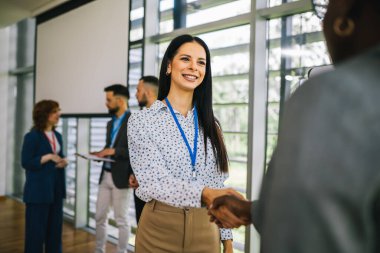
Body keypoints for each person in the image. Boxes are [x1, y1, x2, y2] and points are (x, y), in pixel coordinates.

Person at [209, 0, 380, 252]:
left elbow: (305, 236)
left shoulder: (336, 96)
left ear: (343, 16)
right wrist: (254, 210)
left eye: (325, 9)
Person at [127, 34, 241, 253]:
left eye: (201, 62)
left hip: (206, 227)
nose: (193, 68)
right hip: (159, 229)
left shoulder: (211, 126)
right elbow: (154, 182)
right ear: (169, 65)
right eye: (185, 59)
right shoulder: (142, 121)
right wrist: (204, 194)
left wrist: (227, 241)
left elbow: (217, 184)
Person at [21, 100, 68, 253]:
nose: (58, 114)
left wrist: (62, 161)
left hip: (56, 191)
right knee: (35, 234)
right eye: (55, 111)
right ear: (45, 114)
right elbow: (26, 162)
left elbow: (58, 157)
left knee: (55, 233)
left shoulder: (58, 136)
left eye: (58, 110)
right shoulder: (32, 136)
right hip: (38, 193)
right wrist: (48, 157)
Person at [91, 84, 133, 253]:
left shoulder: (134, 121)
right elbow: (110, 146)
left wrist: (113, 151)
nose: (106, 104)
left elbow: (136, 151)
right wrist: (100, 153)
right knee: (100, 217)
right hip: (105, 176)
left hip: (121, 178)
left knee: (121, 219)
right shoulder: (110, 123)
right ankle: (98, 250)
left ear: (120, 100)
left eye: (109, 100)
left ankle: (121, 251)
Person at [129, 75, 159, 224]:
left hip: (157, 195)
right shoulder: (139, 118)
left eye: (138, 90)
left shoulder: (163, 118)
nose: (135, 94)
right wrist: (135, 174)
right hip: (140, 188)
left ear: (147, 92)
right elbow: (140, 154)